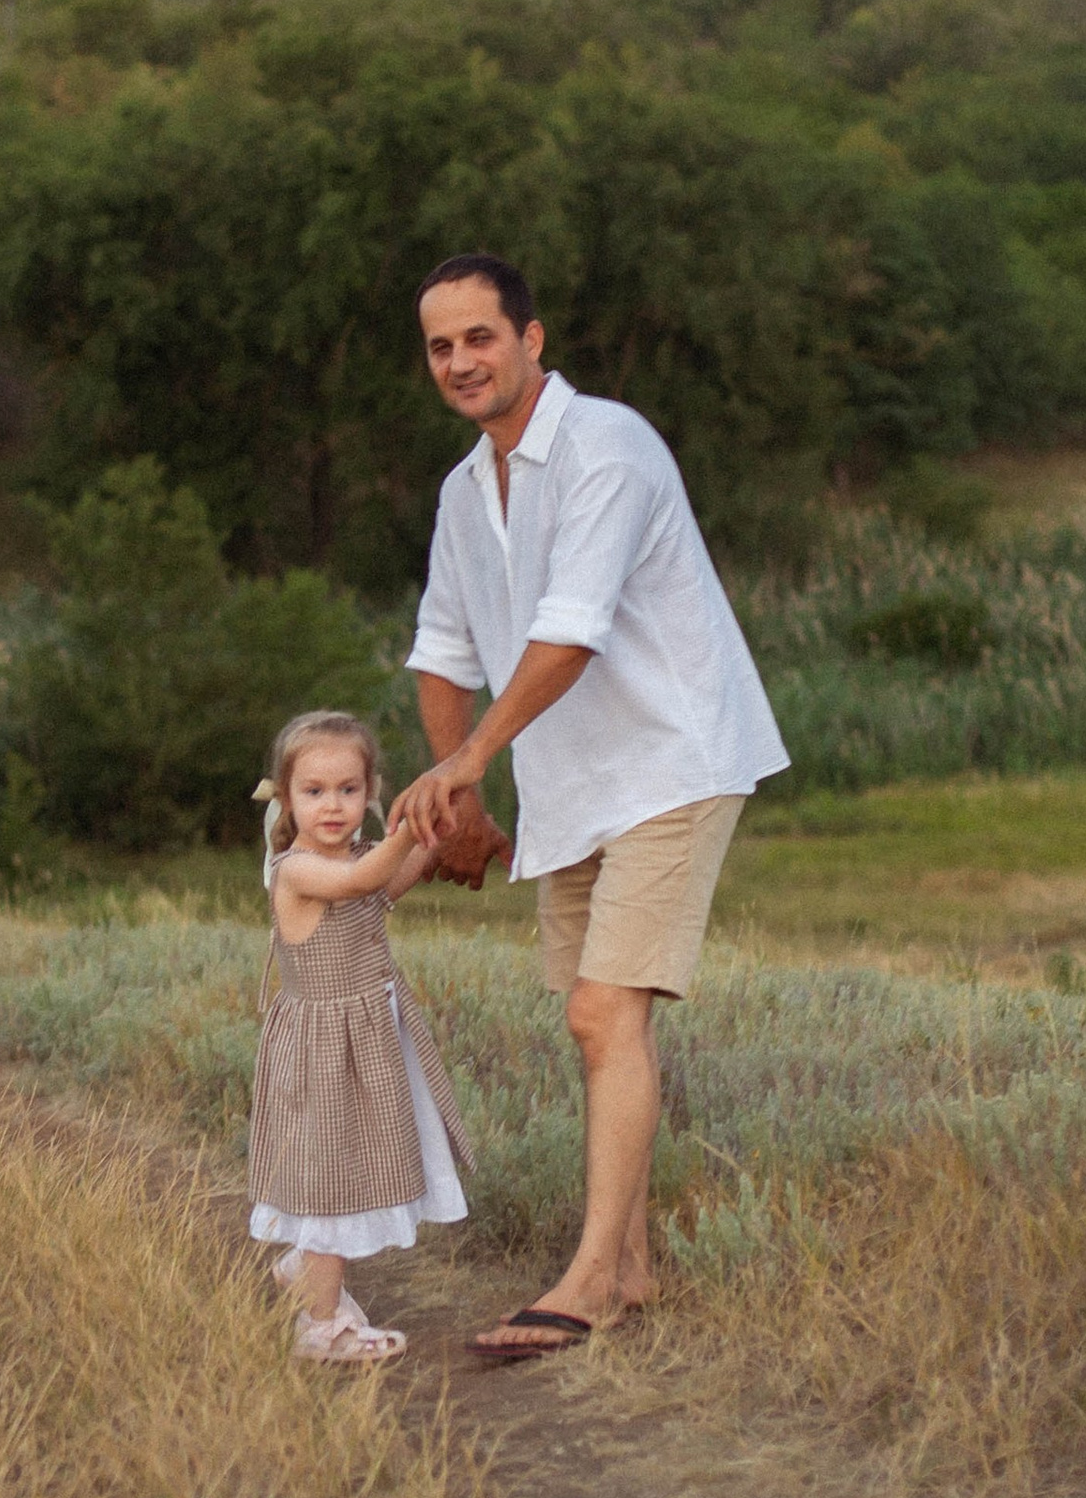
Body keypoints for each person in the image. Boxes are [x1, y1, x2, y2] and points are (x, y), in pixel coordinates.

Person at [388, 257, 787, 1364]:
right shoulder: (465, 492)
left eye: (480, 337)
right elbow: (440, 651)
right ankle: (635, 1263)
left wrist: (469, 764)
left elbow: (571, 631)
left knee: (602, 1014)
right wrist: (456, 801)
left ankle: (590, 1285)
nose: (461, 362)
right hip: (571, 778)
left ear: (530, 339)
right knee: (593, 1019)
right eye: (439, 347)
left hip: (672, 755)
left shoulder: (607, 446)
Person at [247, 707, 474, 1366]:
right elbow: (362, 882)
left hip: (366, 1040)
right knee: (330, 1180)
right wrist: (406, 830)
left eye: (349, 790)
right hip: (322, 1050)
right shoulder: (298, 869)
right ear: (287, 797)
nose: (333, 805)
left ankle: (304, 1270)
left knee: (353, 1164)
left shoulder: (360, 855)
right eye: (314, 792)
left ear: (370, 791)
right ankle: (320, 1328)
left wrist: (436, 822)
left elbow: (395, 878)